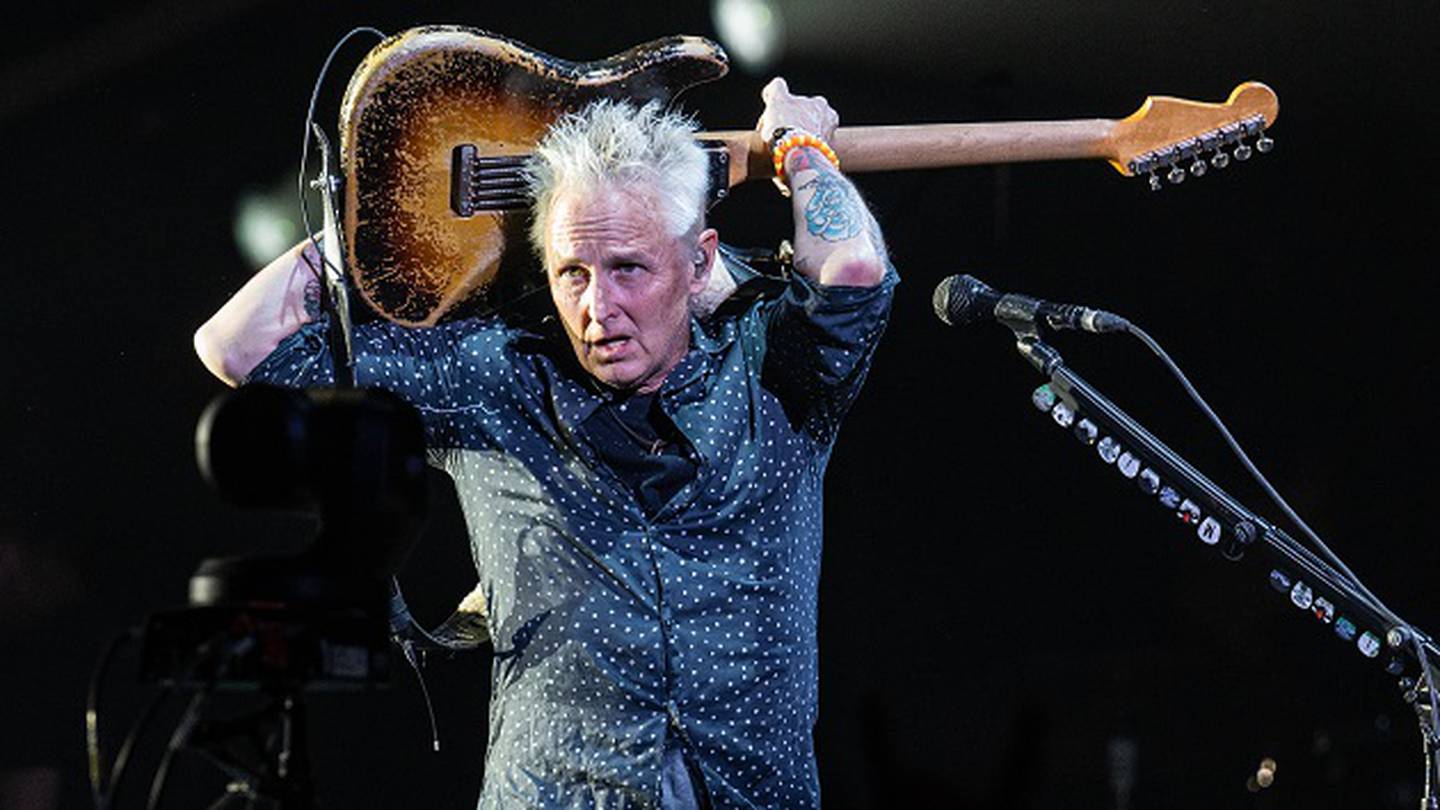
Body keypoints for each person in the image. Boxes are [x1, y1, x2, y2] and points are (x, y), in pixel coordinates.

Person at [195, 78, 896, 809]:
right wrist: (392, 214)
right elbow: (238, 347)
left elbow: (850, 269)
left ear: (697, 262)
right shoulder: (493, 378)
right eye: (573, 274)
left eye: (629, 268)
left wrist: (802, 150)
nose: (599, 308)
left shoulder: (775, 374)